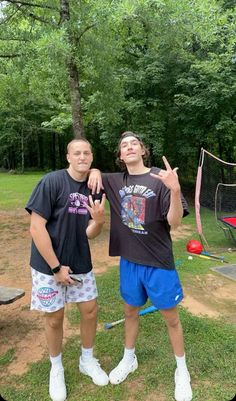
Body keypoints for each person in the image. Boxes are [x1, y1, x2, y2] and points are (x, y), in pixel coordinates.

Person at [89, 131, 192, 401]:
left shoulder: (161, 177)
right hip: (130, 261)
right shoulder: (115, 180)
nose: (129, 147)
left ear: (143, 150)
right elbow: (90, 174)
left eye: (134, 143)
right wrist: (97, 169)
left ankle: (182, 370)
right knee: (130, 311)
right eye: (124, 145)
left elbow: (174, 223)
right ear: (121, 156)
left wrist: (175, 189)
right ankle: (129, 358)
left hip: (158, 261)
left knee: (171, 318)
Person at [25, 138, 109, 401]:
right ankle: (56, 367)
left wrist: (99, 221)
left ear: (92, 157)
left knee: (90, 310)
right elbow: (36, 227)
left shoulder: (94, 187)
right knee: (54, 317)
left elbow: (90, 233)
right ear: (68, 157)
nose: (82, 157)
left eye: (86, 153)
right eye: (77, 153)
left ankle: (87, 360)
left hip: (80, 261)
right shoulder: (51, 182)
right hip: (48, 264)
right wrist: (56, 267)